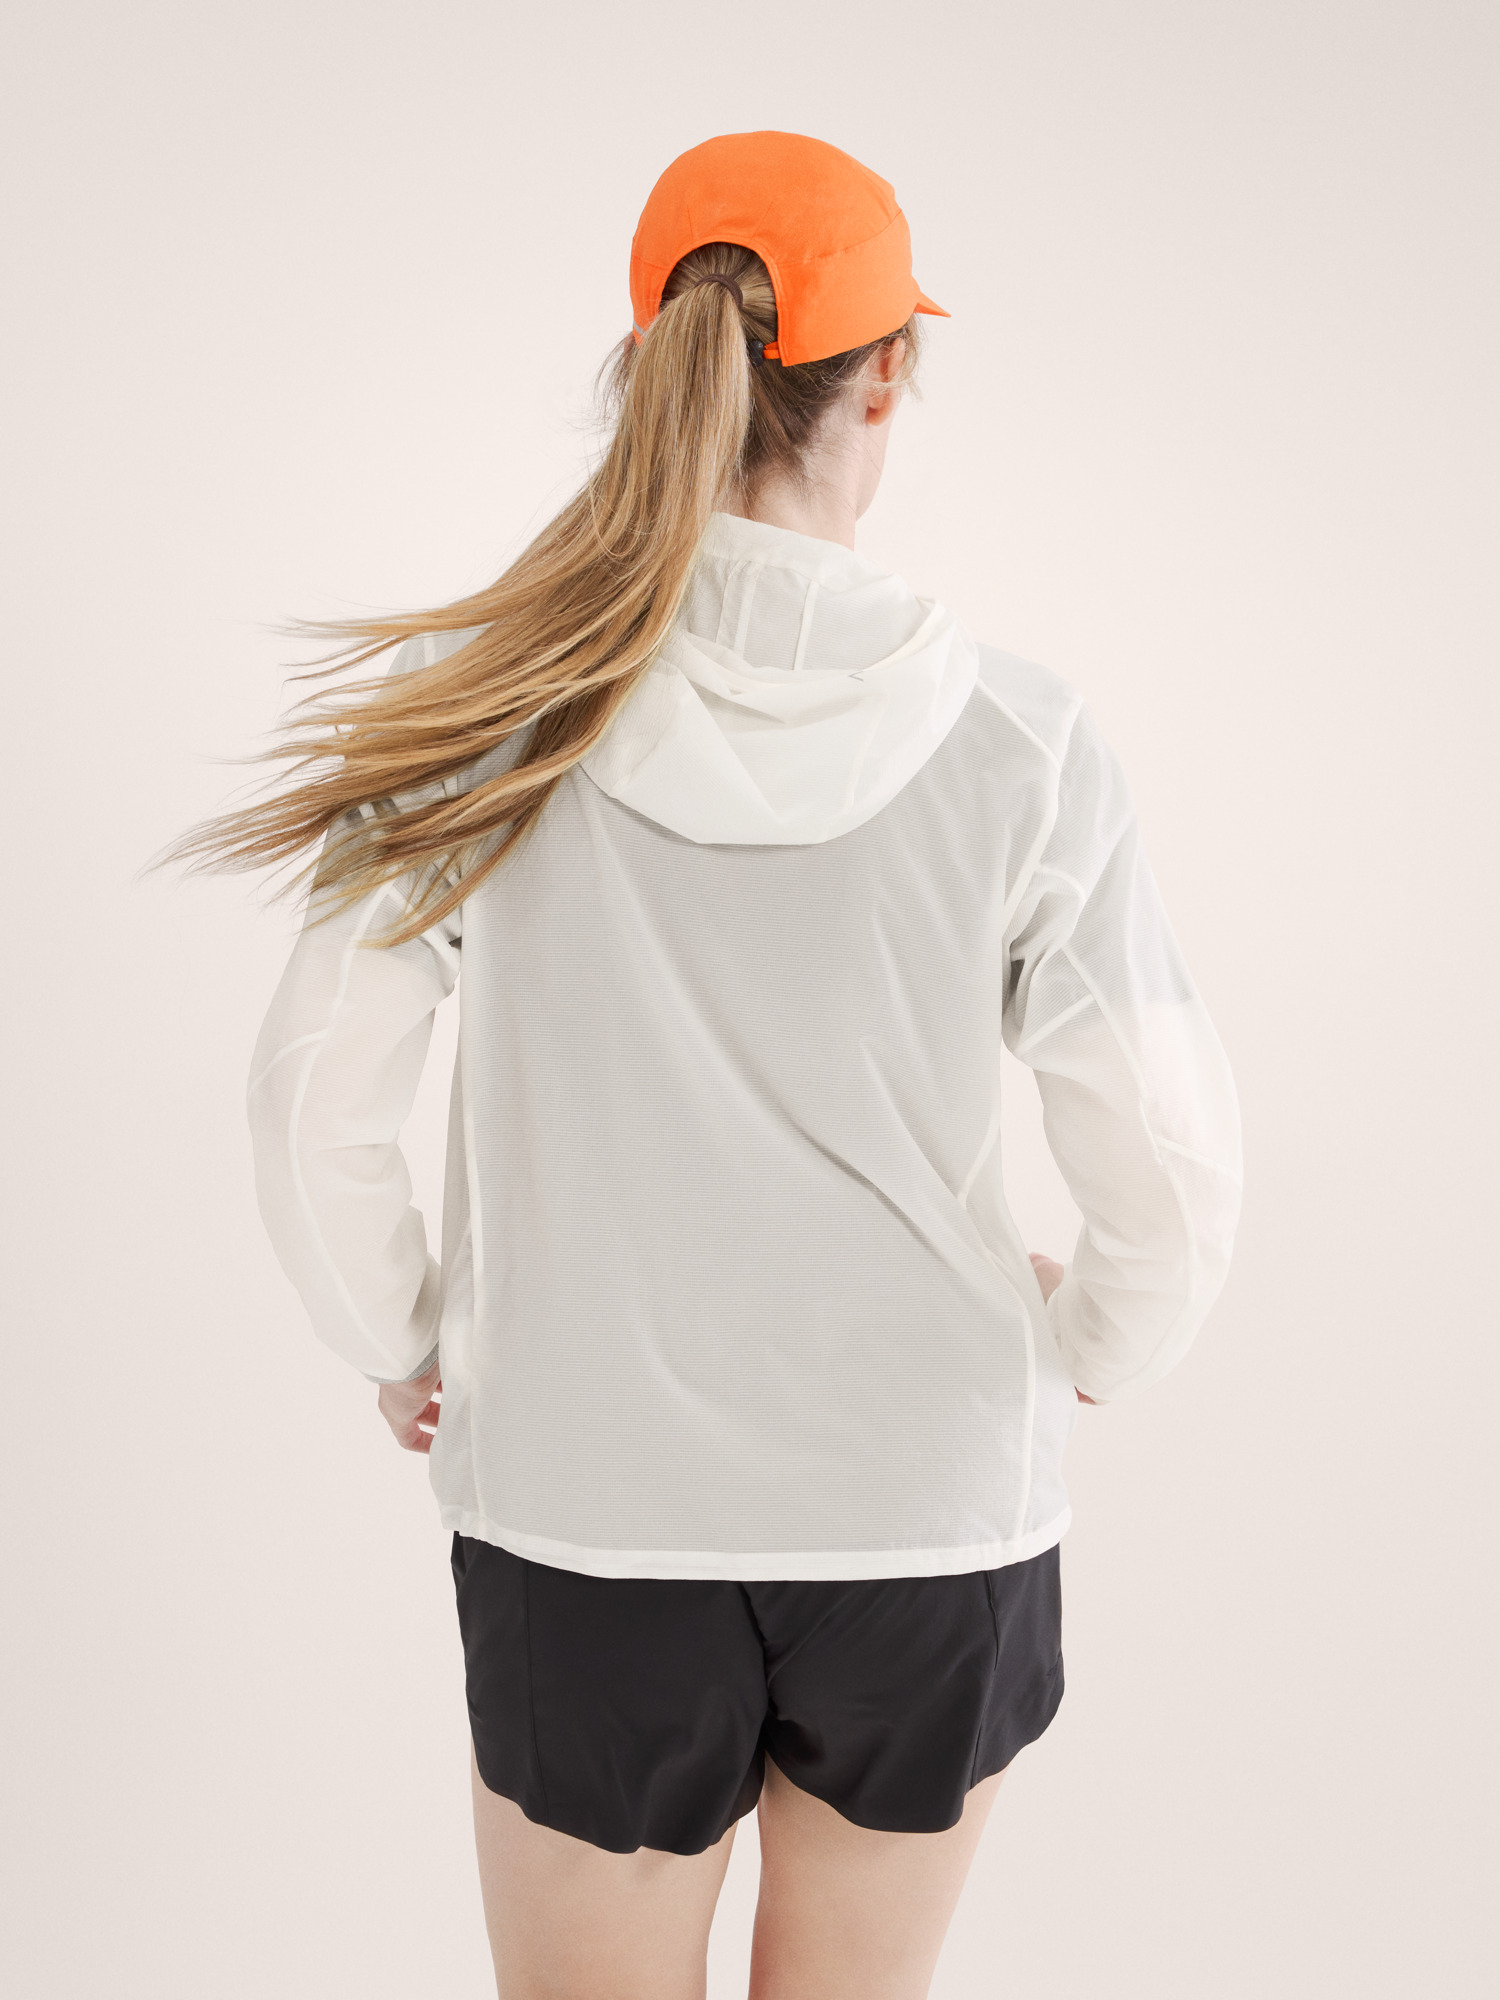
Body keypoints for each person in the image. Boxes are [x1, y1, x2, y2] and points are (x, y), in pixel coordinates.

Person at [184, 131, 1242, 2000]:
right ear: (885, 375)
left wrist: (410, 1336)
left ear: (650, 355)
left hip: (585, 1503)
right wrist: (1092, 1338)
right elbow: (1166, 1147)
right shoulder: (1021, 740)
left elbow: (310, 1099)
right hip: (926, 1509)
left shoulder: (492, 715)